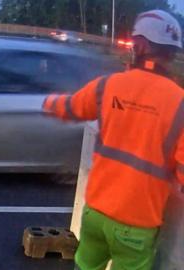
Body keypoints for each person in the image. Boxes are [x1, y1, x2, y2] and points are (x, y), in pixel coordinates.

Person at [42, 10, 183, 270]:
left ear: (138, 47)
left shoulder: (108, 85)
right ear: (171, 54)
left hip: (96, 211)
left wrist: (45, 101)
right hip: (138, 225)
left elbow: (69, 107)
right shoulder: (180, 103)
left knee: (85, 265)